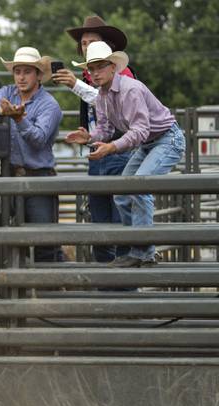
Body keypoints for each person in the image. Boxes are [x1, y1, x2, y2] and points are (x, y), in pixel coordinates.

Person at [65, 41, 185, 267]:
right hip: (151, 142)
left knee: (139, 187)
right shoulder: (102, 96)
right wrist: (90, 137)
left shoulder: (131, 89)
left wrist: (112, 147)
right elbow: (106, 130)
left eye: (100, 66)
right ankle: (138, 248)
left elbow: (140, 130)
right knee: (122, 194)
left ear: (113, 67)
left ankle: (143, 251)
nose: (95, 72)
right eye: (91, 68)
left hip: (167, 139)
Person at [53, 16, 135, 263]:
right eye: (84, 43)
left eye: (93, 41)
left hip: (119, 153)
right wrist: (89, 136)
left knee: (119, 219)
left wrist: (75, 85)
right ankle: (106, 283)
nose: (87, 46)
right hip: (99, 153)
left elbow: (112, 103)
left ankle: (123, 288)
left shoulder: (124, 74)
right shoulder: (89, 77)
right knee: (100, 221)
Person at [0, 47, 63, 262]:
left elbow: (39, 138)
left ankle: (51, 290)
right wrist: (1, 111)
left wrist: (18, 119)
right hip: (11, 176)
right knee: (12, 239)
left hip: (38, 177)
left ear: (38, 75)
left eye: (27, 71)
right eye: (17, 71)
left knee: (45, 242)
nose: (21, 77)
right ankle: (21, 289)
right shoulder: (8, 92)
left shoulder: (49, 104)